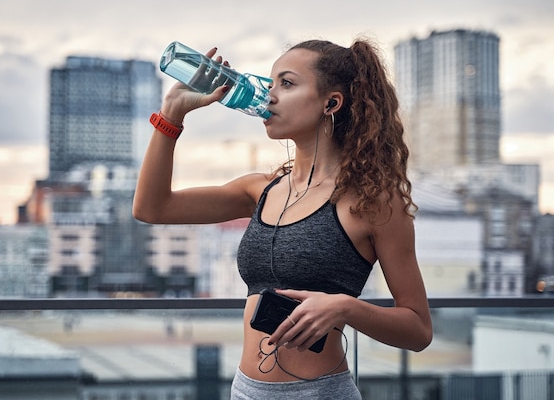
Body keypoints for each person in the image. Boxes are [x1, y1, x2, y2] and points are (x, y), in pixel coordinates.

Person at [133, 38, 432, 400]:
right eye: (270, 82)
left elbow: (418, 329)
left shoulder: (373, 202)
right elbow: (152, 208)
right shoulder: (260, 191)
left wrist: (344, 307)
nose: (270, 95)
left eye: (287, 84)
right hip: (246, 391)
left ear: (331, 103)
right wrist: (171, 114)